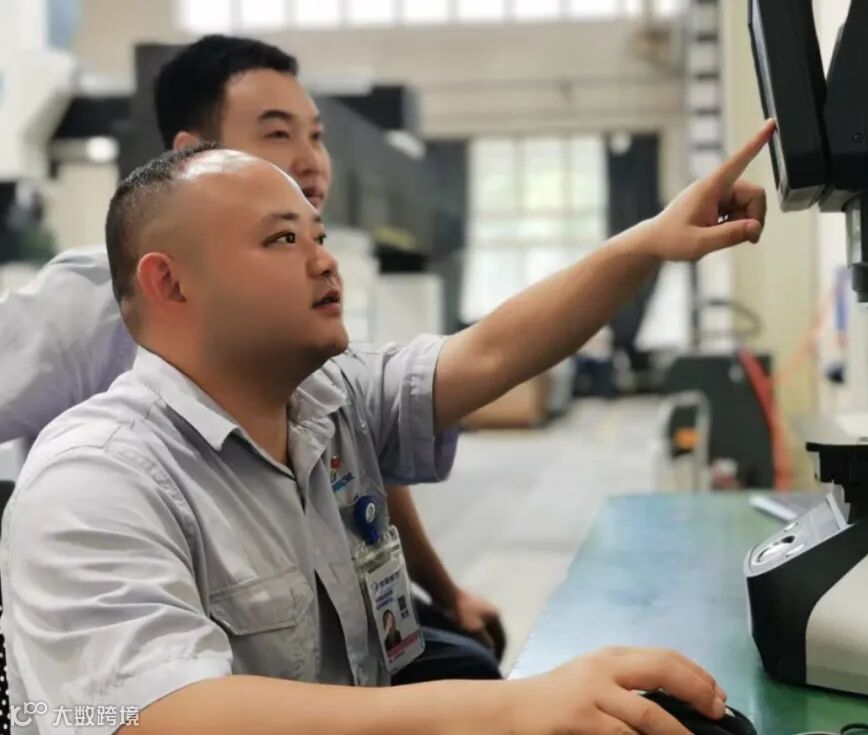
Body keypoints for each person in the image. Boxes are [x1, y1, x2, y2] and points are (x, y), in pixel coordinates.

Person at [1, 115, 773, 733]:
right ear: (170, 283)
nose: (323, 261)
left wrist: (651, 240)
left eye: (318, 236)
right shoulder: (96, 478)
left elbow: (490, 350)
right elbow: (161, 716)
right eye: (282, 238)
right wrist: (506, 710)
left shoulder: (325, 400)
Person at [0, 35, 503, 683]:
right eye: (276, 135)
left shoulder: (298, 290)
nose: (309, 161)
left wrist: (443, 589)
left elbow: (357, 452)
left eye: (316, 136)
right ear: (193, 154)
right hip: (172, 616)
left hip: (306, 608)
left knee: (465, 665)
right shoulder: (92, 308)